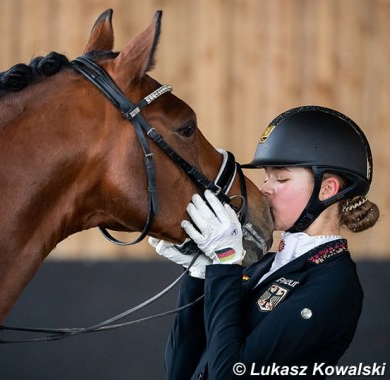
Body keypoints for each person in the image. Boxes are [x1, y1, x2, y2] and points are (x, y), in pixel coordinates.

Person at [149, 105, 379, 379]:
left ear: (327, 189)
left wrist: (225, 264)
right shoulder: (261, 265)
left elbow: (229, 374)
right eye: (266, 176)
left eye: (281, 178)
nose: (265, 189)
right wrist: (199, 274)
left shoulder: (334, 284)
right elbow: (179, 370)